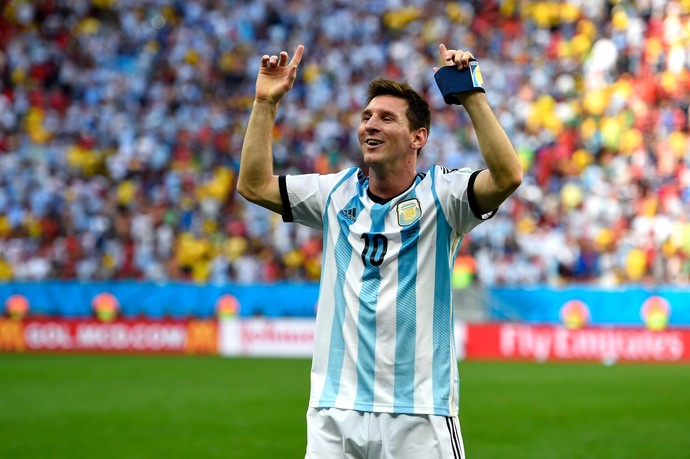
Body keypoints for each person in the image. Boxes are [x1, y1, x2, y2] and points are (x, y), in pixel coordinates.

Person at [238, 43, 522, 458]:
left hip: (419, 414)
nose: (370, 125)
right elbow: (254, 185)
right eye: (366, 117)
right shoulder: (334, 193)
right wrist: (264, 102)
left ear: (417, 138)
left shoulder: (445, 195)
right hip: (334, 410)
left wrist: (471, 94)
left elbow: (508, 176)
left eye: (386, 118)